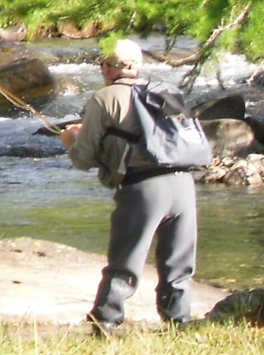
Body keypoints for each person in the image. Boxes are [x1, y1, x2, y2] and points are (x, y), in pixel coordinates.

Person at [59, 38, 198, 334]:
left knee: (125, 265)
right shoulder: (167, 92)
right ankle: (179, 327)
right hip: (184, 185)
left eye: (102, 64)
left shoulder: (105, 97)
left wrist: (71, 140)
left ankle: (105, 325)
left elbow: (83, 159)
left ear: (107, 67)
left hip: (144, 190)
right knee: (178, 269)